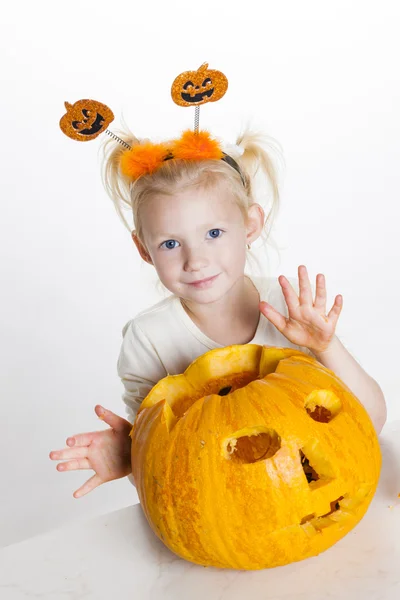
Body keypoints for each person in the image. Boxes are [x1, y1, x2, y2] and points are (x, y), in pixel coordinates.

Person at [49, 125, 387, 498]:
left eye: (213, 234)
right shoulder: (150, 340)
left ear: (250, 225)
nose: (195, 260)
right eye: (170, 243)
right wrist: (131, 457)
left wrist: (327, 346)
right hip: (222, 507)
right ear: (144, 249)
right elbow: (166, 472)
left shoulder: (290, 307)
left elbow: (371, 422)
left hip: (318, 493)